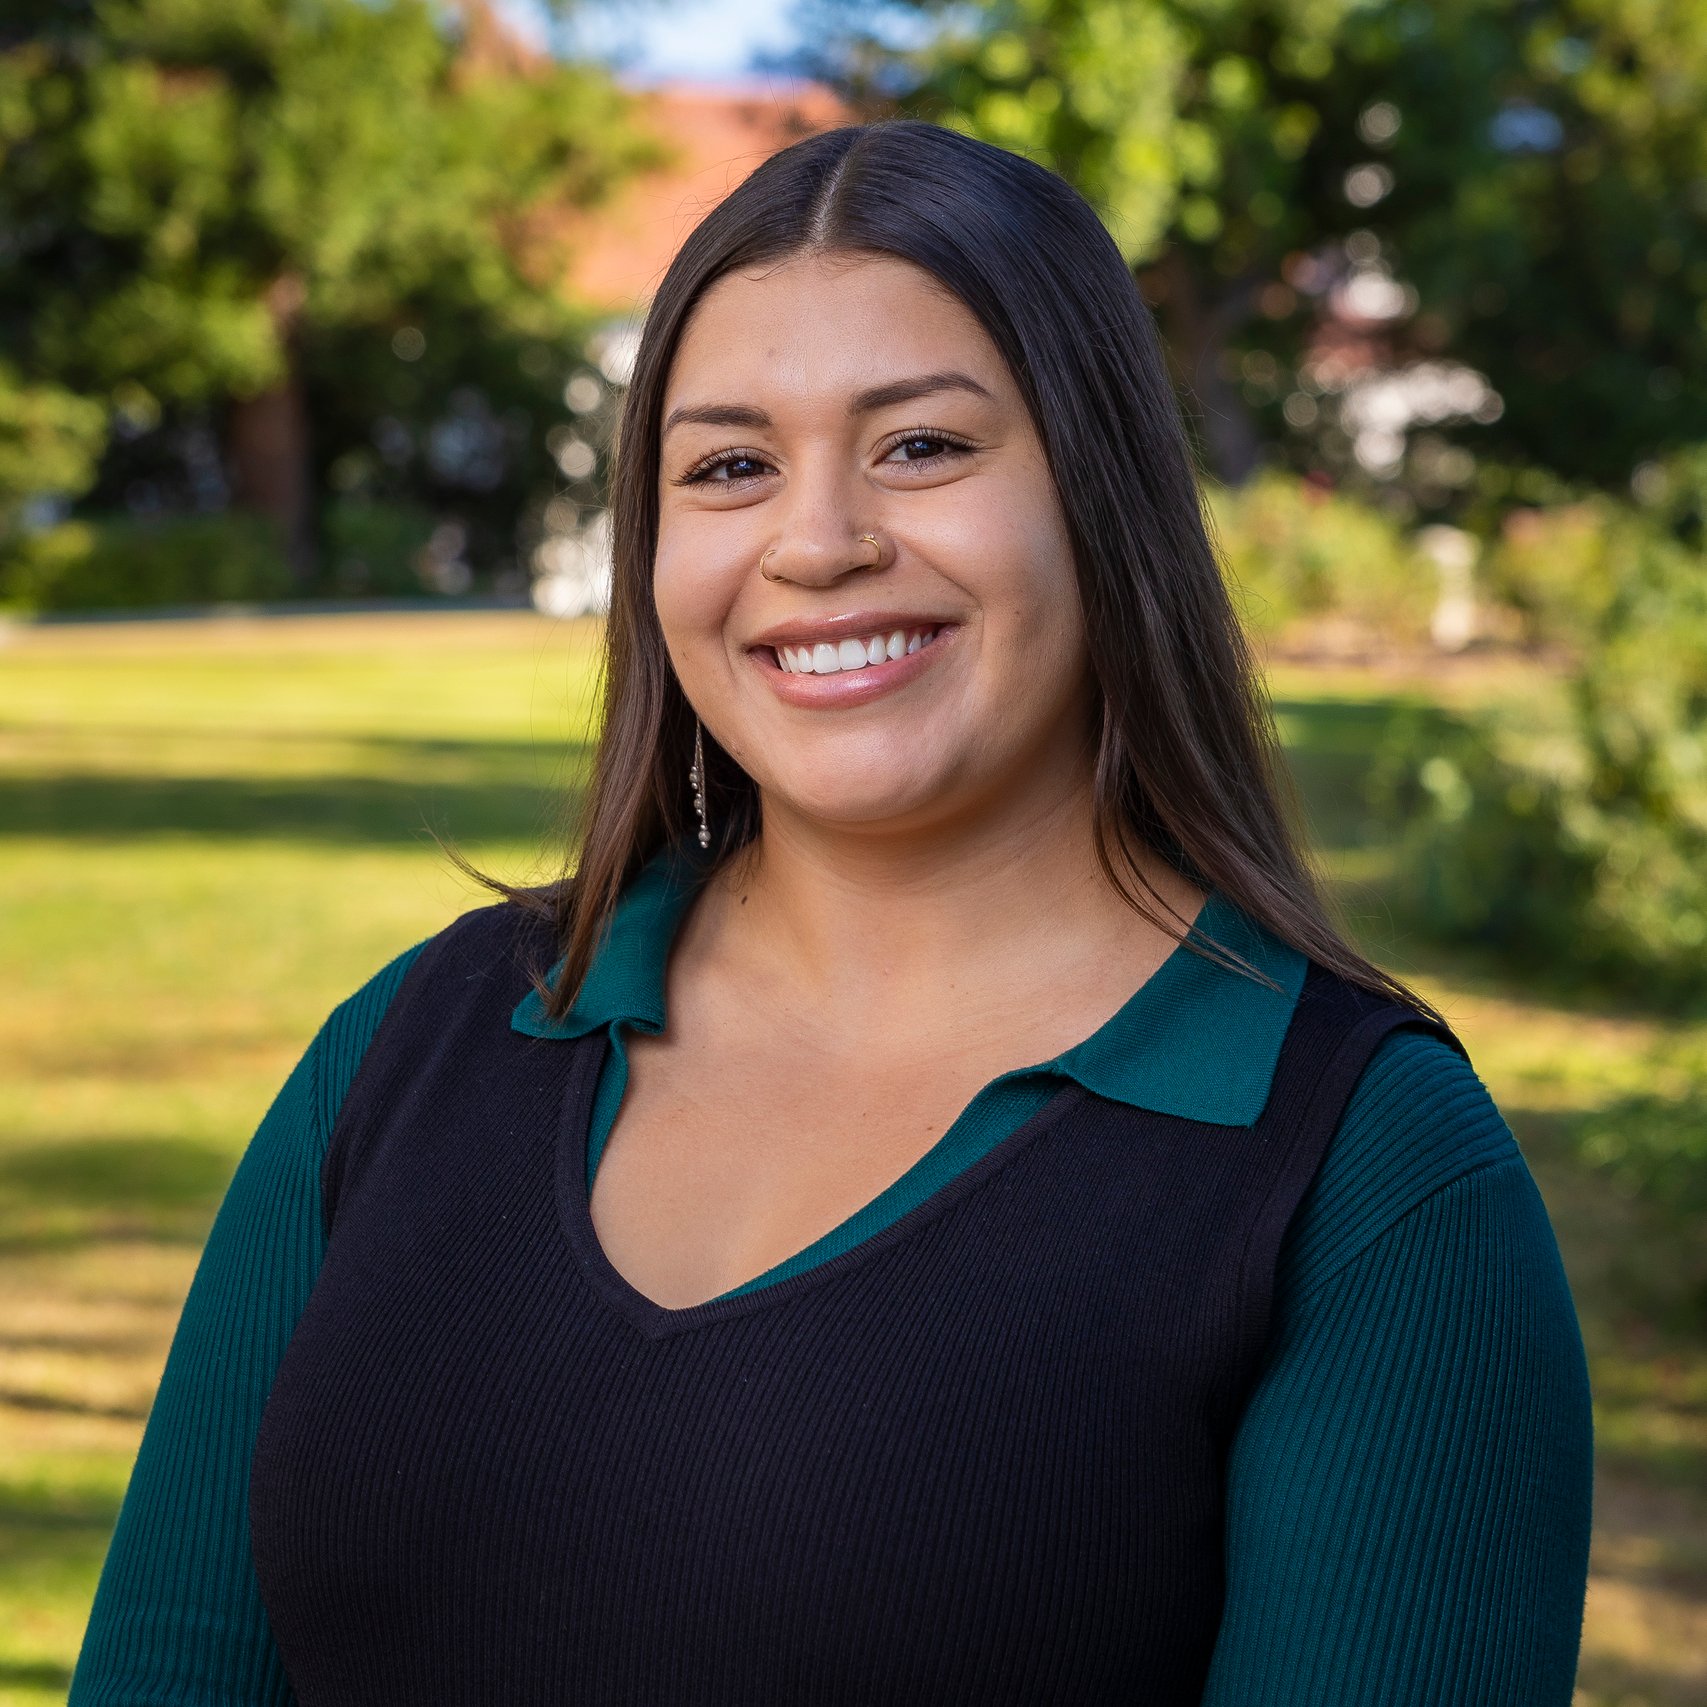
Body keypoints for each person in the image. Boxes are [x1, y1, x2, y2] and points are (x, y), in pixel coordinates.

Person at [71, 121, 1593, 1706]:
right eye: (731, 467)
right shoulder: (416, 1045)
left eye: (921, 446)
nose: (816, 544)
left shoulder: (1371, 1181)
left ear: (1104, 493)